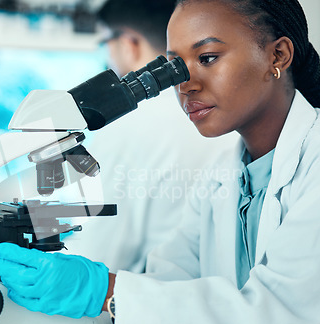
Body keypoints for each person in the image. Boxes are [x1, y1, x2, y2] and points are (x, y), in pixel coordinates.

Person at [0, 0, 320, 324]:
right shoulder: (222, 173)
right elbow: (169, 279)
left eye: (207, 58)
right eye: (176, 67)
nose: (185, 84)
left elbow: (272, 318)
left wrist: (103, 291)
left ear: (277, 55)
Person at [61, 0, 237, 274]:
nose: (106, 56)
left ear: (129, 43)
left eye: (105, 42)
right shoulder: (220, 115)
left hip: (153, 298)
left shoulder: (127, 127)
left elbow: (100, 255)